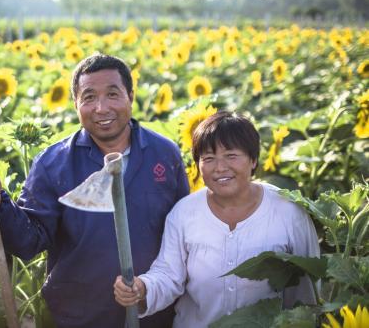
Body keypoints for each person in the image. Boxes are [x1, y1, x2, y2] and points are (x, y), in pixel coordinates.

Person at [0, 54, 189, 328]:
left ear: (131, 96)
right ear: (75, 104)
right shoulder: (53, 163)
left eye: (112, 94)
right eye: (89, 97)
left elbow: (184, 235)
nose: (101, 108)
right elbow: (28, 241)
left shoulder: (164, 154)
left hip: (156, 315)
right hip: (76, 315)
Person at [114, 111, 320, 328]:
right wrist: (142, 288)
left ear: (253, 159)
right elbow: (168, 275)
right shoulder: (184, 213)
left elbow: (306, 288)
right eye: (208, 158)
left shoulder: (288, 211)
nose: (220, 167)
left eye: (231, 155)